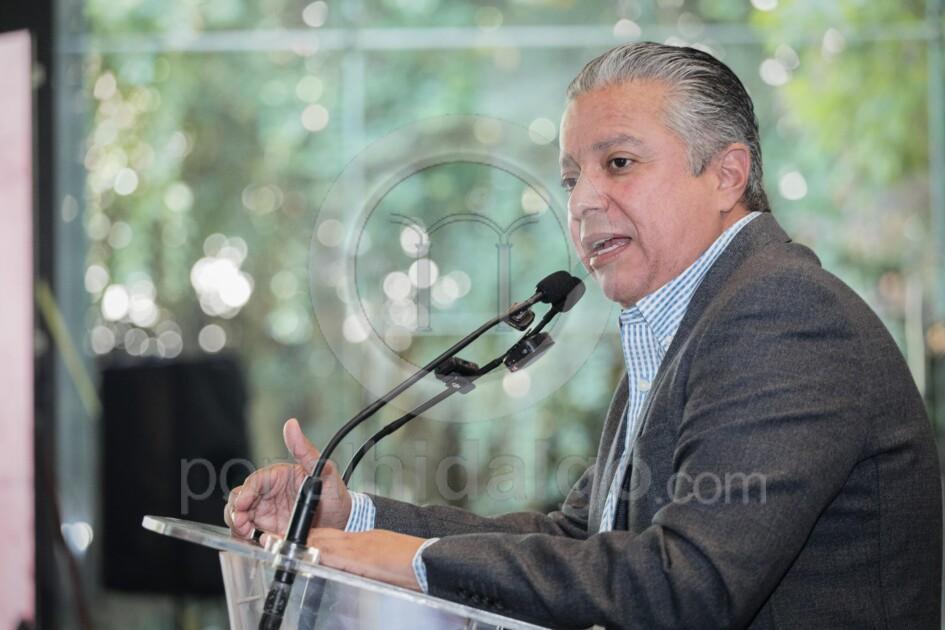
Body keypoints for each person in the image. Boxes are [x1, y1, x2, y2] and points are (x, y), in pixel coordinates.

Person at [224, 42, 942, 629]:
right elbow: (580, 541)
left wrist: (411, 563)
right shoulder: (689, 323)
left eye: (618, 164)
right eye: (571, 179)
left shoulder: (781, 313)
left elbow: (687, 585)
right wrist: (354, 518)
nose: (583, 202)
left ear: (727, 174)